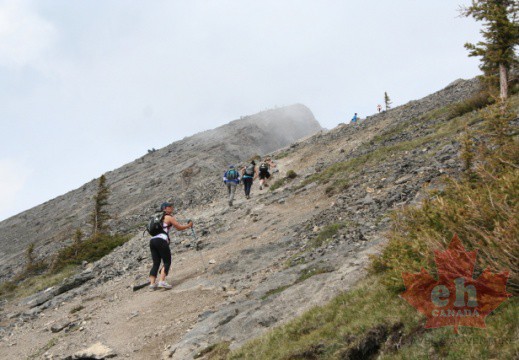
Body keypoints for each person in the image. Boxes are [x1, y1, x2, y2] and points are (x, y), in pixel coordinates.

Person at [149, 202, 193, 290]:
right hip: (161, 240)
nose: (172, 208)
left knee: (156, 262)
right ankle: (162, 281)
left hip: (152, 240)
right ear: (164, 208)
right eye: (169, 207)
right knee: (167, 261)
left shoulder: (157, 218)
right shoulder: (168, 217)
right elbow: (179, 227)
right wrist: (189, 225)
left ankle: (152, 284)